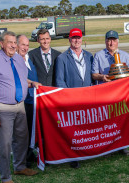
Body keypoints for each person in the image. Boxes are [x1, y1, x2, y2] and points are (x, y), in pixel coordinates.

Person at [0, 31, 39, 183]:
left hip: (20, 106)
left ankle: (20, 167)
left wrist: (31, 83)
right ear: (2, 44)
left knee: (22, 139)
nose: (13, 45)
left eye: (15, 42)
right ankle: (5, 177)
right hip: (2, 108)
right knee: (4, 144)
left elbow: (19, 79)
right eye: (10, 42)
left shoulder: (18, 60)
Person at [55, 28, 94, 168]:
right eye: (73, 38)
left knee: (87, 128)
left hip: (88, 100)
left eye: (78, 38)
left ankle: (87, 151)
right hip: (72, 101)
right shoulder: (62, 58)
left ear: (82, 39)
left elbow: (93, 79)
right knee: (73, 131)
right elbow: (60, 81)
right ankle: (73, 156)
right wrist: (68, 99)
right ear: (69, 40)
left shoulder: (89, 56)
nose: (76, 40)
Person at [92, 30, 129, 155]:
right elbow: (93, 74)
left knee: (120, 120)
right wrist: (102, 77)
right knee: (105, 122)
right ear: (105, 41)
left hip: (120, 94)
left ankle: (121, 145)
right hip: (105, 94)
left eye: (114, 40)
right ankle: (105, 146)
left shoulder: (124, 55)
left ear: (118, 41)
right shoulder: (99, 55)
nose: (111, 42)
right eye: (109, 40)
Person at [16, 34, 40, 167]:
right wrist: (32, 83)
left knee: (31, 130)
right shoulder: (15, 60)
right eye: (23, 45)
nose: (25, 47)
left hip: (33, 100)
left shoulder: (28, 58)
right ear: (17, 45)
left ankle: (30, 155)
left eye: (27, 45)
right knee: (23, 132)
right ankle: (23, 160)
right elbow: (20, 78)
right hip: (23, 101)